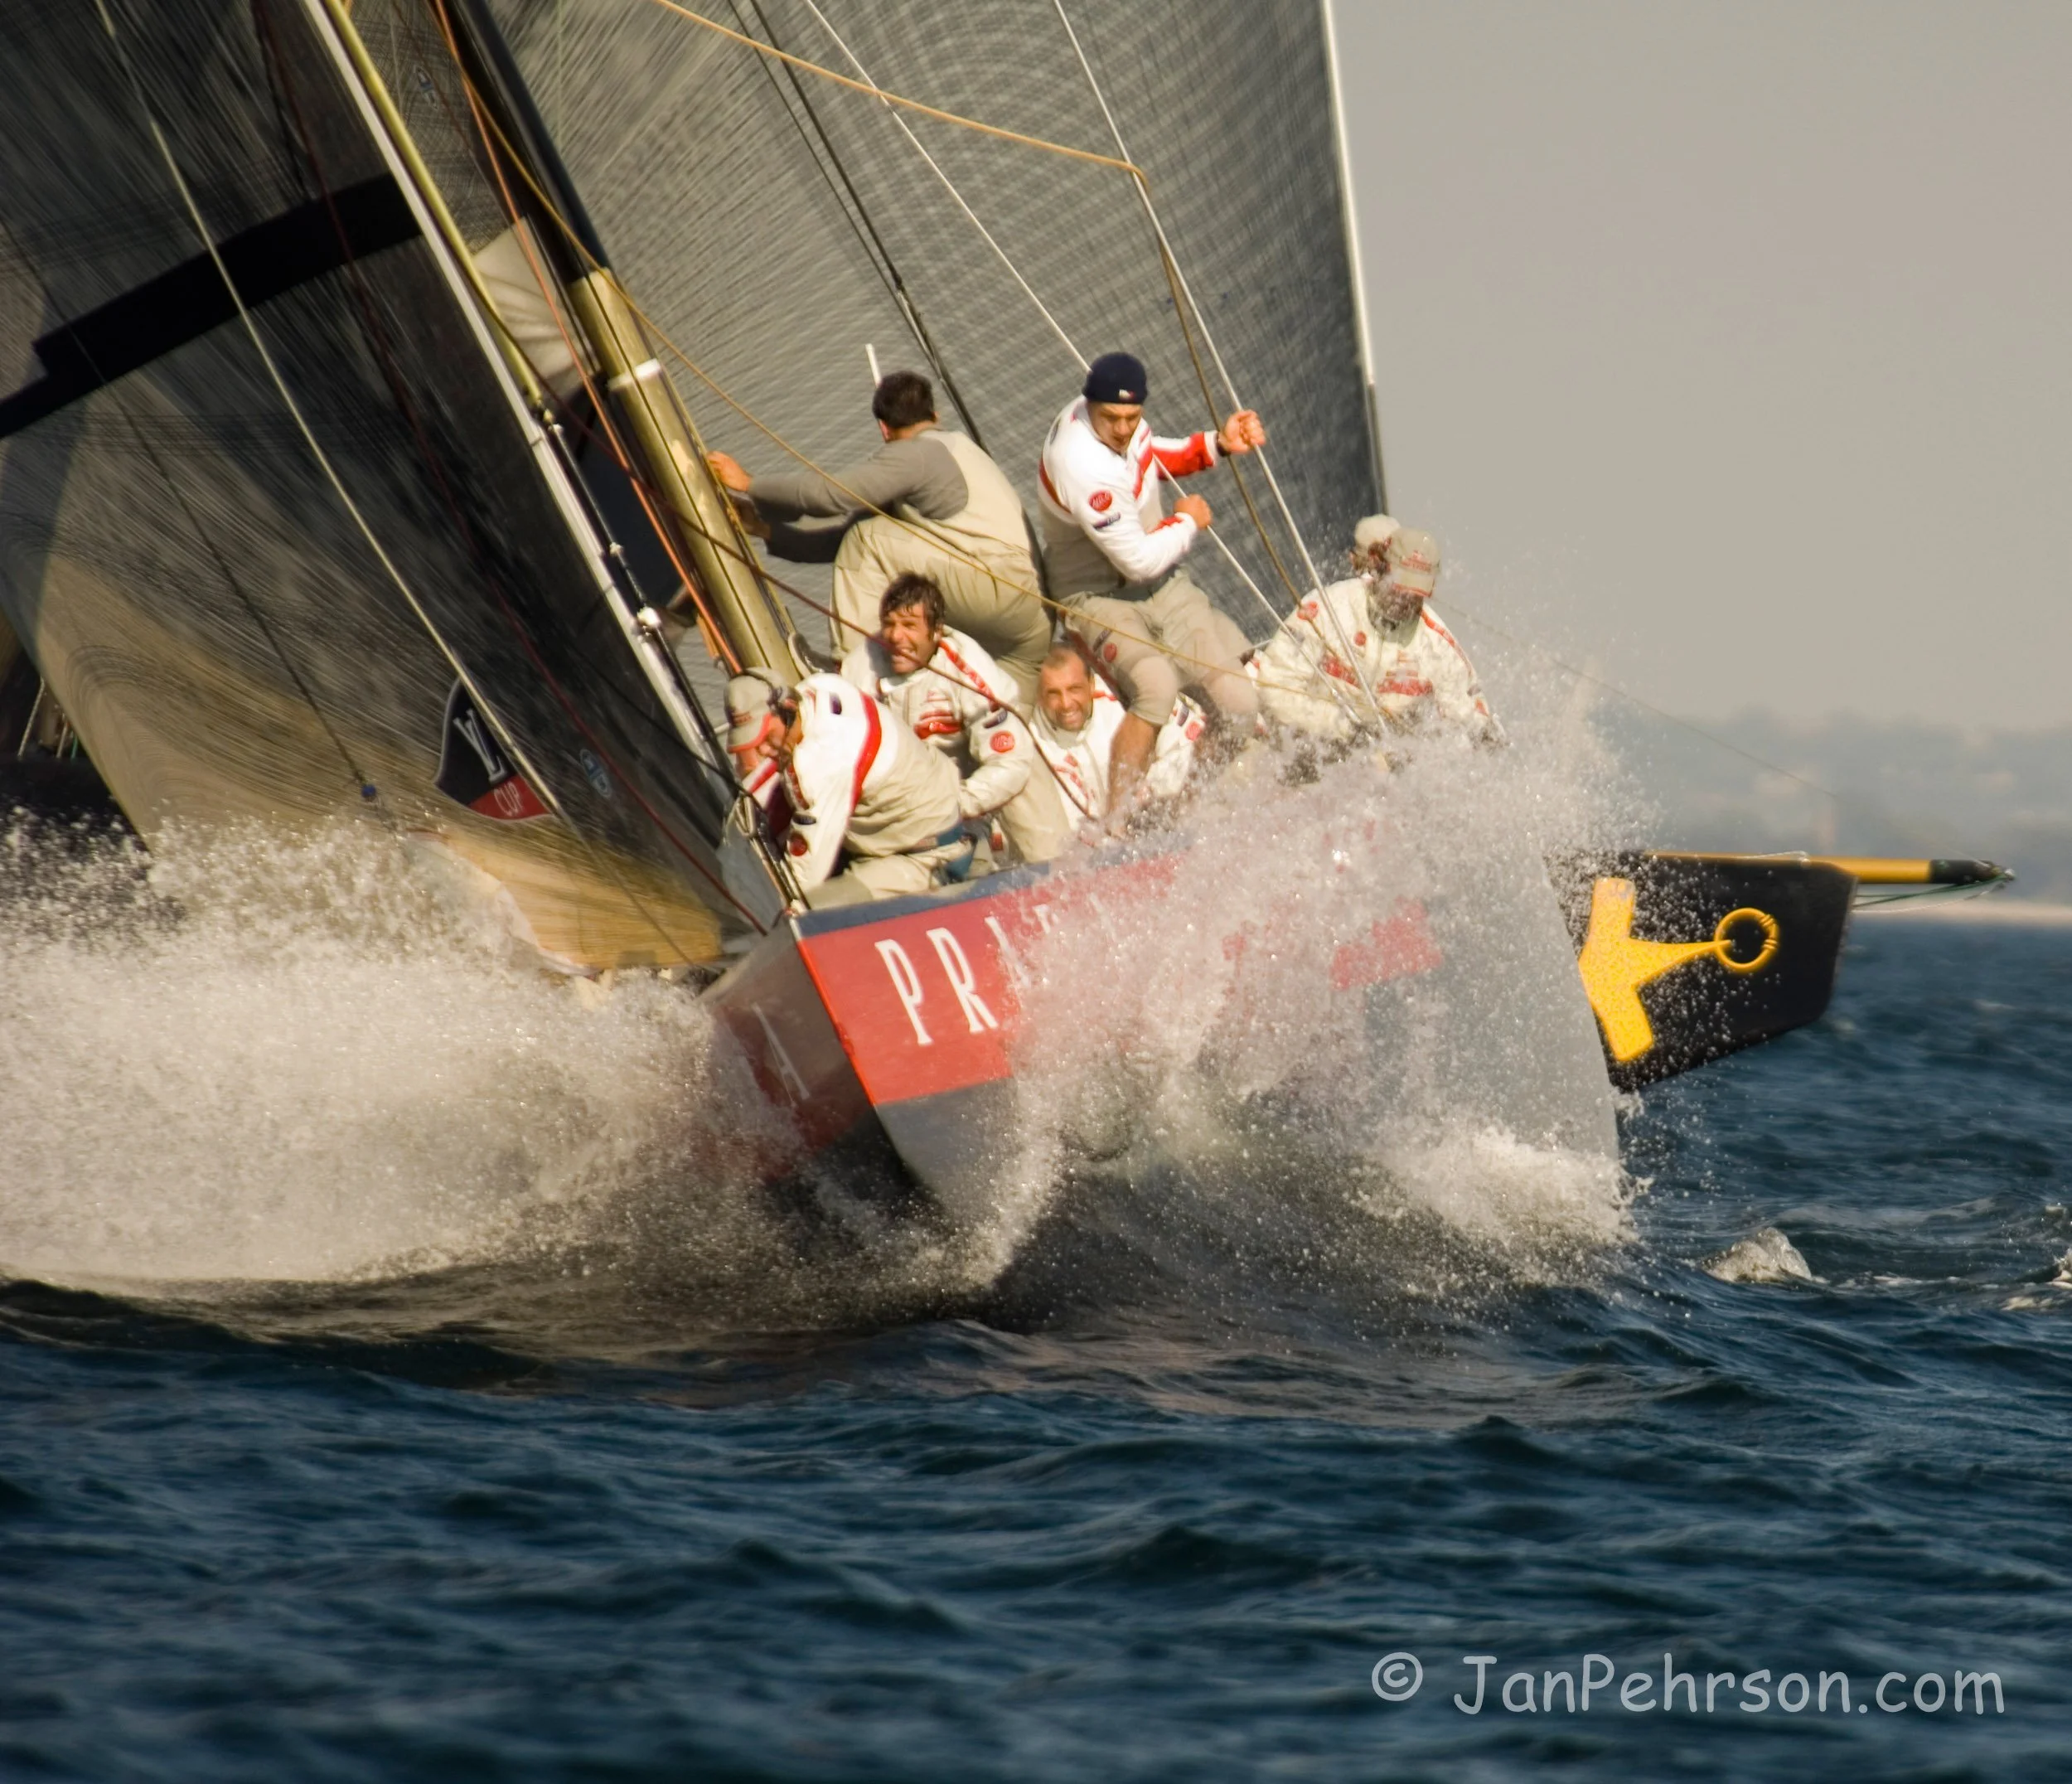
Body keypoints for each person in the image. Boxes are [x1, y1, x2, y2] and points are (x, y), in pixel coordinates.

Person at [708, 371, 1053, 698]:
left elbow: (831, 498)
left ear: (884, 429)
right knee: (1009, 722)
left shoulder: (918, 455)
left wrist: (750, 484)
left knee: (867, 539)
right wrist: (764, 528)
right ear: (935, 415)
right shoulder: (961, 450)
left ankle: (850, 672)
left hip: (999, 592)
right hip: (1035, 623)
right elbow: (841, 544)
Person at [1036, 351, 1263, 812]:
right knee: (1156, 687)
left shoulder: (1119, 426)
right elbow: (1138, 559)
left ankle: (1187, 808)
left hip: (1160, 586)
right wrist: (1187, 521)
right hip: (1097, 594)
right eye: (1111, 418)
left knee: (1240, 705)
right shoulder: (1081, 464)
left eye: (1132, 416)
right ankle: (1118, 823)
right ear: (1088, 406)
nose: (1122, 428)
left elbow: (1147, 452)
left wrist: (1216, 444)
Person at [840, 574, 1072, 865]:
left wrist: (956, 806)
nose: (896, 637)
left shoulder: (970, 673)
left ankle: (1058, 873)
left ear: (937, 631)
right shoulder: (858, 669)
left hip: (969, 787)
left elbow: (1010, 762)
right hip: (903, 796)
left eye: (909, 625)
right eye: (889, 624)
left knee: (1025, 777)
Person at [724, 667, 976, 907]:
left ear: (788, 709)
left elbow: (801, 882)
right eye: (754, 742)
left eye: (767, 737)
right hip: (924, 815)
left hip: (925, 857)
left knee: (805, 910)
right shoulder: (819, 687)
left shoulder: (822, 762)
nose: (764, 750)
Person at [1252, 516, 1502, 746]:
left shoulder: (1437, 645)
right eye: (1400, 589)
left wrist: (1486, 736)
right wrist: (1344, 730)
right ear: (1379, 567)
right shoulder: (1328, 609)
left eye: (1416, 594)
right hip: (1302, 748)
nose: (1405, 601)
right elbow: (1274, 685)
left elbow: (1471, 717)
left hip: (1381, 766)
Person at [1028, 642, 1204, 830]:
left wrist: (1149, 789)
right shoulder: (1029, 741)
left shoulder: (1128, 697)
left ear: (1091, 684)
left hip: (1157, 818)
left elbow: (1190, 743)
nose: (1066, 704)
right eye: (1053, 694)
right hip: (1092, 838)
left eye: (1074, 689)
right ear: (1039, 696)